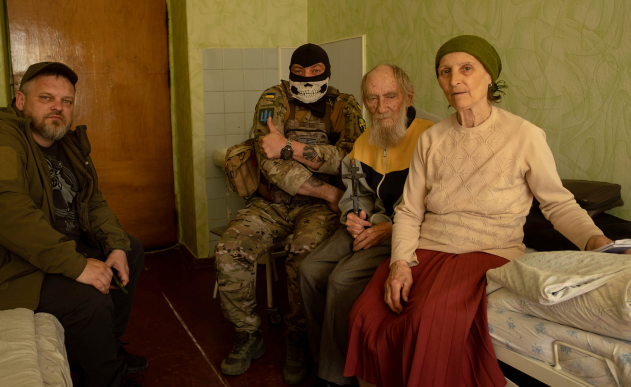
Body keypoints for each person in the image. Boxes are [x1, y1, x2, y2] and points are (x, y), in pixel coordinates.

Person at [344, 35, 628, 387]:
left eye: (466, 68)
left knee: (429, 318)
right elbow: (409, 211)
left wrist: (596, 241)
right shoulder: (431, 139)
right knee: (366, 313)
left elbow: (557, 203)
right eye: (445, 71)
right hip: (429, 250)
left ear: (489, 76)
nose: (454, 79)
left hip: (486, 252)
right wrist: (400, 262)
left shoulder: (524, 135)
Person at [0, 62, 147, 387]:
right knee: (89, 298)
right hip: (5, 267)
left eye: (66, 101)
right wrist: (77, 265)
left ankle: (106, 347)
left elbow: (92, 201)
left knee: (130, 249)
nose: (58, 107)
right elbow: (7, 215)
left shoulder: (67, 144)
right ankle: (107, 377)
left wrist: (116, 245)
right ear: (21, 102)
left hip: (48, 250)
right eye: (46, 97)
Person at [215, 43, 365, 384]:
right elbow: (269, 161)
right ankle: (248, 333)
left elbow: (351, 157)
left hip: (315, 211)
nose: (308, 79)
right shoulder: (274, 99)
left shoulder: (344, 106)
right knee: (228, 251)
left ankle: (297, 336)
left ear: (327, 72)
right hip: (274, 203)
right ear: (290, 72)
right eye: (299, 72)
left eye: (316, 73)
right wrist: (327, 188)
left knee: (304, 256)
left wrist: (290, 148)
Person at [299, 64, 440, 387]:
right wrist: (354, 217)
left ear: (408, 96)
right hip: (370, 225)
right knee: (308, 270)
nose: (381, 107)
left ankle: (337, 375)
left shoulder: (430, 137)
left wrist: (389, 229)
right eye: (372, 99)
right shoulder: (365, 140)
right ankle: (322, 355)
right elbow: (356, 193)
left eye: (390, 96)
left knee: (341, 279)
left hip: (406, 232)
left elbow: (440, 205)